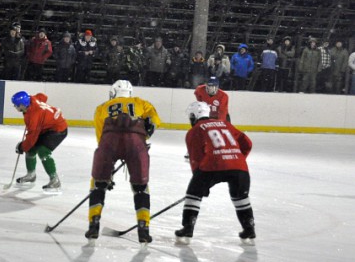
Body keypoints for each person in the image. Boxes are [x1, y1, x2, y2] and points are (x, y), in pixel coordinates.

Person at [85, 79, 160, 244]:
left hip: (109, 140)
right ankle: (143, 228)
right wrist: (143, 138)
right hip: (135, 141)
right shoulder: (140, 102)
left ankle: (94, 224)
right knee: (141, 186)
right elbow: (154, 120)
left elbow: (101, 136)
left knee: (98, 184)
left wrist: (107, 172)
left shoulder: (102, 107)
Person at [176, 101, 255, 243]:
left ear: (194, 116)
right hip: (238, 166)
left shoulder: (195, 130)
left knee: (193, 195)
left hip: (213, 165)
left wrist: (199, 186)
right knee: (240, 197)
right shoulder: (226, 124)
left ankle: (188, 228)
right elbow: (247, 143)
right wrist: (237, 158)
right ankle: (249, 229)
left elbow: (196, 158)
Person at [12, 90, 68, 191]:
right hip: (47, 128)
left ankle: (55, 180)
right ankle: (31, 175)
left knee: (43, 151)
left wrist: (22, 147)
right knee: (31, 148)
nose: (15, 107)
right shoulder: (32, 99)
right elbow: (43, 96)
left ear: (23, 104)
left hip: (58, 129)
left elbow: (32, 137)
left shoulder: (34, 115)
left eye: (16, 105)